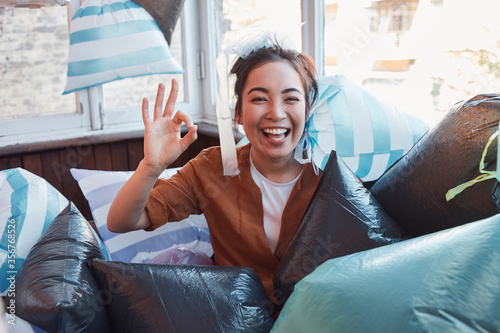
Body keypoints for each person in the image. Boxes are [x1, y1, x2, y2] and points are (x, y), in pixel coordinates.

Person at [107, 43, 321, 308]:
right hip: (235, 317)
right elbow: (121, 221)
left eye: (291, 98)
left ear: (307, 109)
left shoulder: (328, 174)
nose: (276, 113)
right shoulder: (212, 168)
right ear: (239, 113)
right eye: (259, 98)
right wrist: (151, 166)